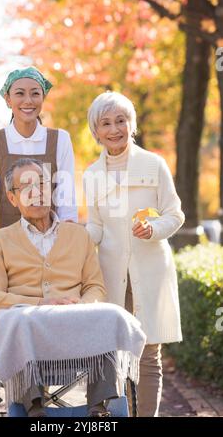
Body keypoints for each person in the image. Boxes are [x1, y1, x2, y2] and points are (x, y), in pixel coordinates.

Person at [0, 157, 119, 418]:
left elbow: (95, 287)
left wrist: (81, 307)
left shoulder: (79, 235)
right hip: (27, 325)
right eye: (27, 187)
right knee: (20, 320)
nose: (37, 192)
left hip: (73, 326)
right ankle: (34, 409)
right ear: (12, 198)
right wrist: (40, 304)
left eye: (42, 184)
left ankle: (98, 409)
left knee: (107, 315)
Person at [83, 91, 185, 417]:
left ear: (132, 124)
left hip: (150, 268)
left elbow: (175, 214)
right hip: (110, 271)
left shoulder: (154, 164)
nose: (115, 129)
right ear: (95, 130)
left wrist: (154, 228)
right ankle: (109, 416)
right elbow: (95, 226)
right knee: (109, 349)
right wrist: (74, 244)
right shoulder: (92, 175)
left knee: (148, 350)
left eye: (121, 120)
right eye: (106, 123)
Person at [0, 67, 77, 269]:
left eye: (35, 93)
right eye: (19, 93)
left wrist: (69, 245)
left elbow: (66, 198)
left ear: (43, 98)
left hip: (52, 246)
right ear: (8, 99)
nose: (28, 100)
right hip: (6, 246)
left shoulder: (60, 139)